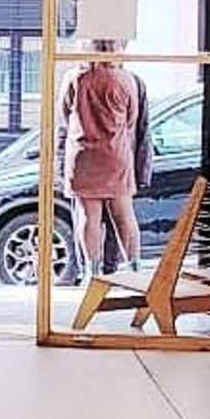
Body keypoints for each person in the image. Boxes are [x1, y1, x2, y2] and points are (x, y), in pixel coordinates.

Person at [63, 40, 148, 276]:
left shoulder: (75, 78)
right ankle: (134, 268)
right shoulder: (126, 80)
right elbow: (131, 120)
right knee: (124, 215)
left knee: (88, 217)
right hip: (116, 155)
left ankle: (92, 272)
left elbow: (64, 113)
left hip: (83, 156)